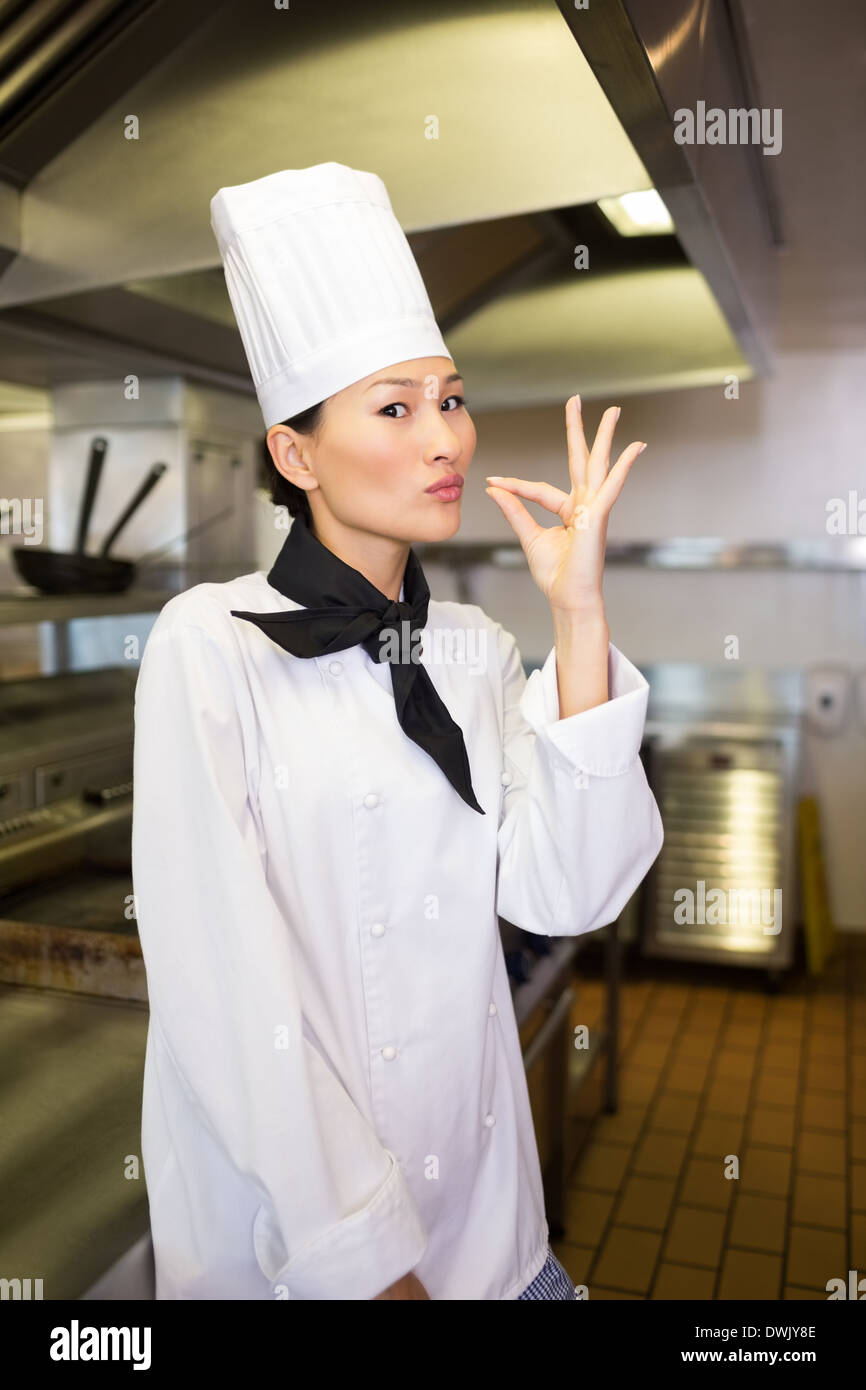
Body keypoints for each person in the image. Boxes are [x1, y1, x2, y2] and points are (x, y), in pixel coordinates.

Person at [131, 162, 664, 1301]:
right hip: (304, 1265)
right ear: (295, 453)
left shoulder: (470, 645)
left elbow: (563, 893)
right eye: (395, 407)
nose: (446, 440)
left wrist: (577, 611)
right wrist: (363, 1265)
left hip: (490, 1239)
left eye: (450, 398)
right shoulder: (206, 645)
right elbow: (223, 992)